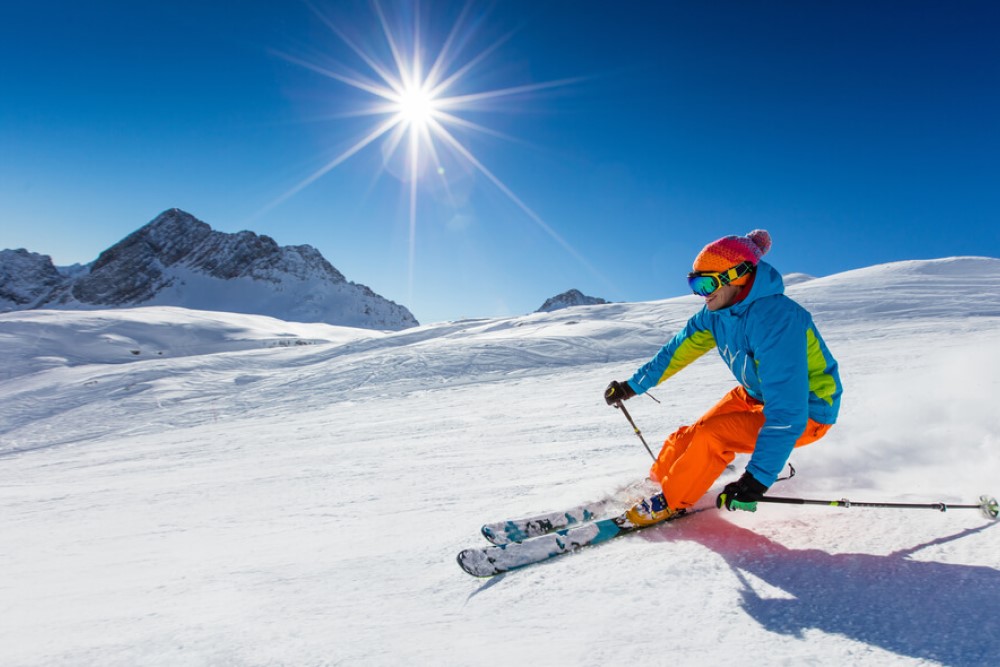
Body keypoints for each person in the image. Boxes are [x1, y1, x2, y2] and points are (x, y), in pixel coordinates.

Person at [604, 230, 842, 525]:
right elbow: (678, 350)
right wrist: (633, 385)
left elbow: (788, 410)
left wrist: (757, 479)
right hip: (755, 395)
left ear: (738, 275)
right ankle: (657, 483)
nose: (701, 293)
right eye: (695, 284)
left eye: (706, 283)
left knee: (712, 436)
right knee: (689, 435)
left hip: (808, 409)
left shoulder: (777, 319)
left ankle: (670, 501)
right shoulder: (715, 314)